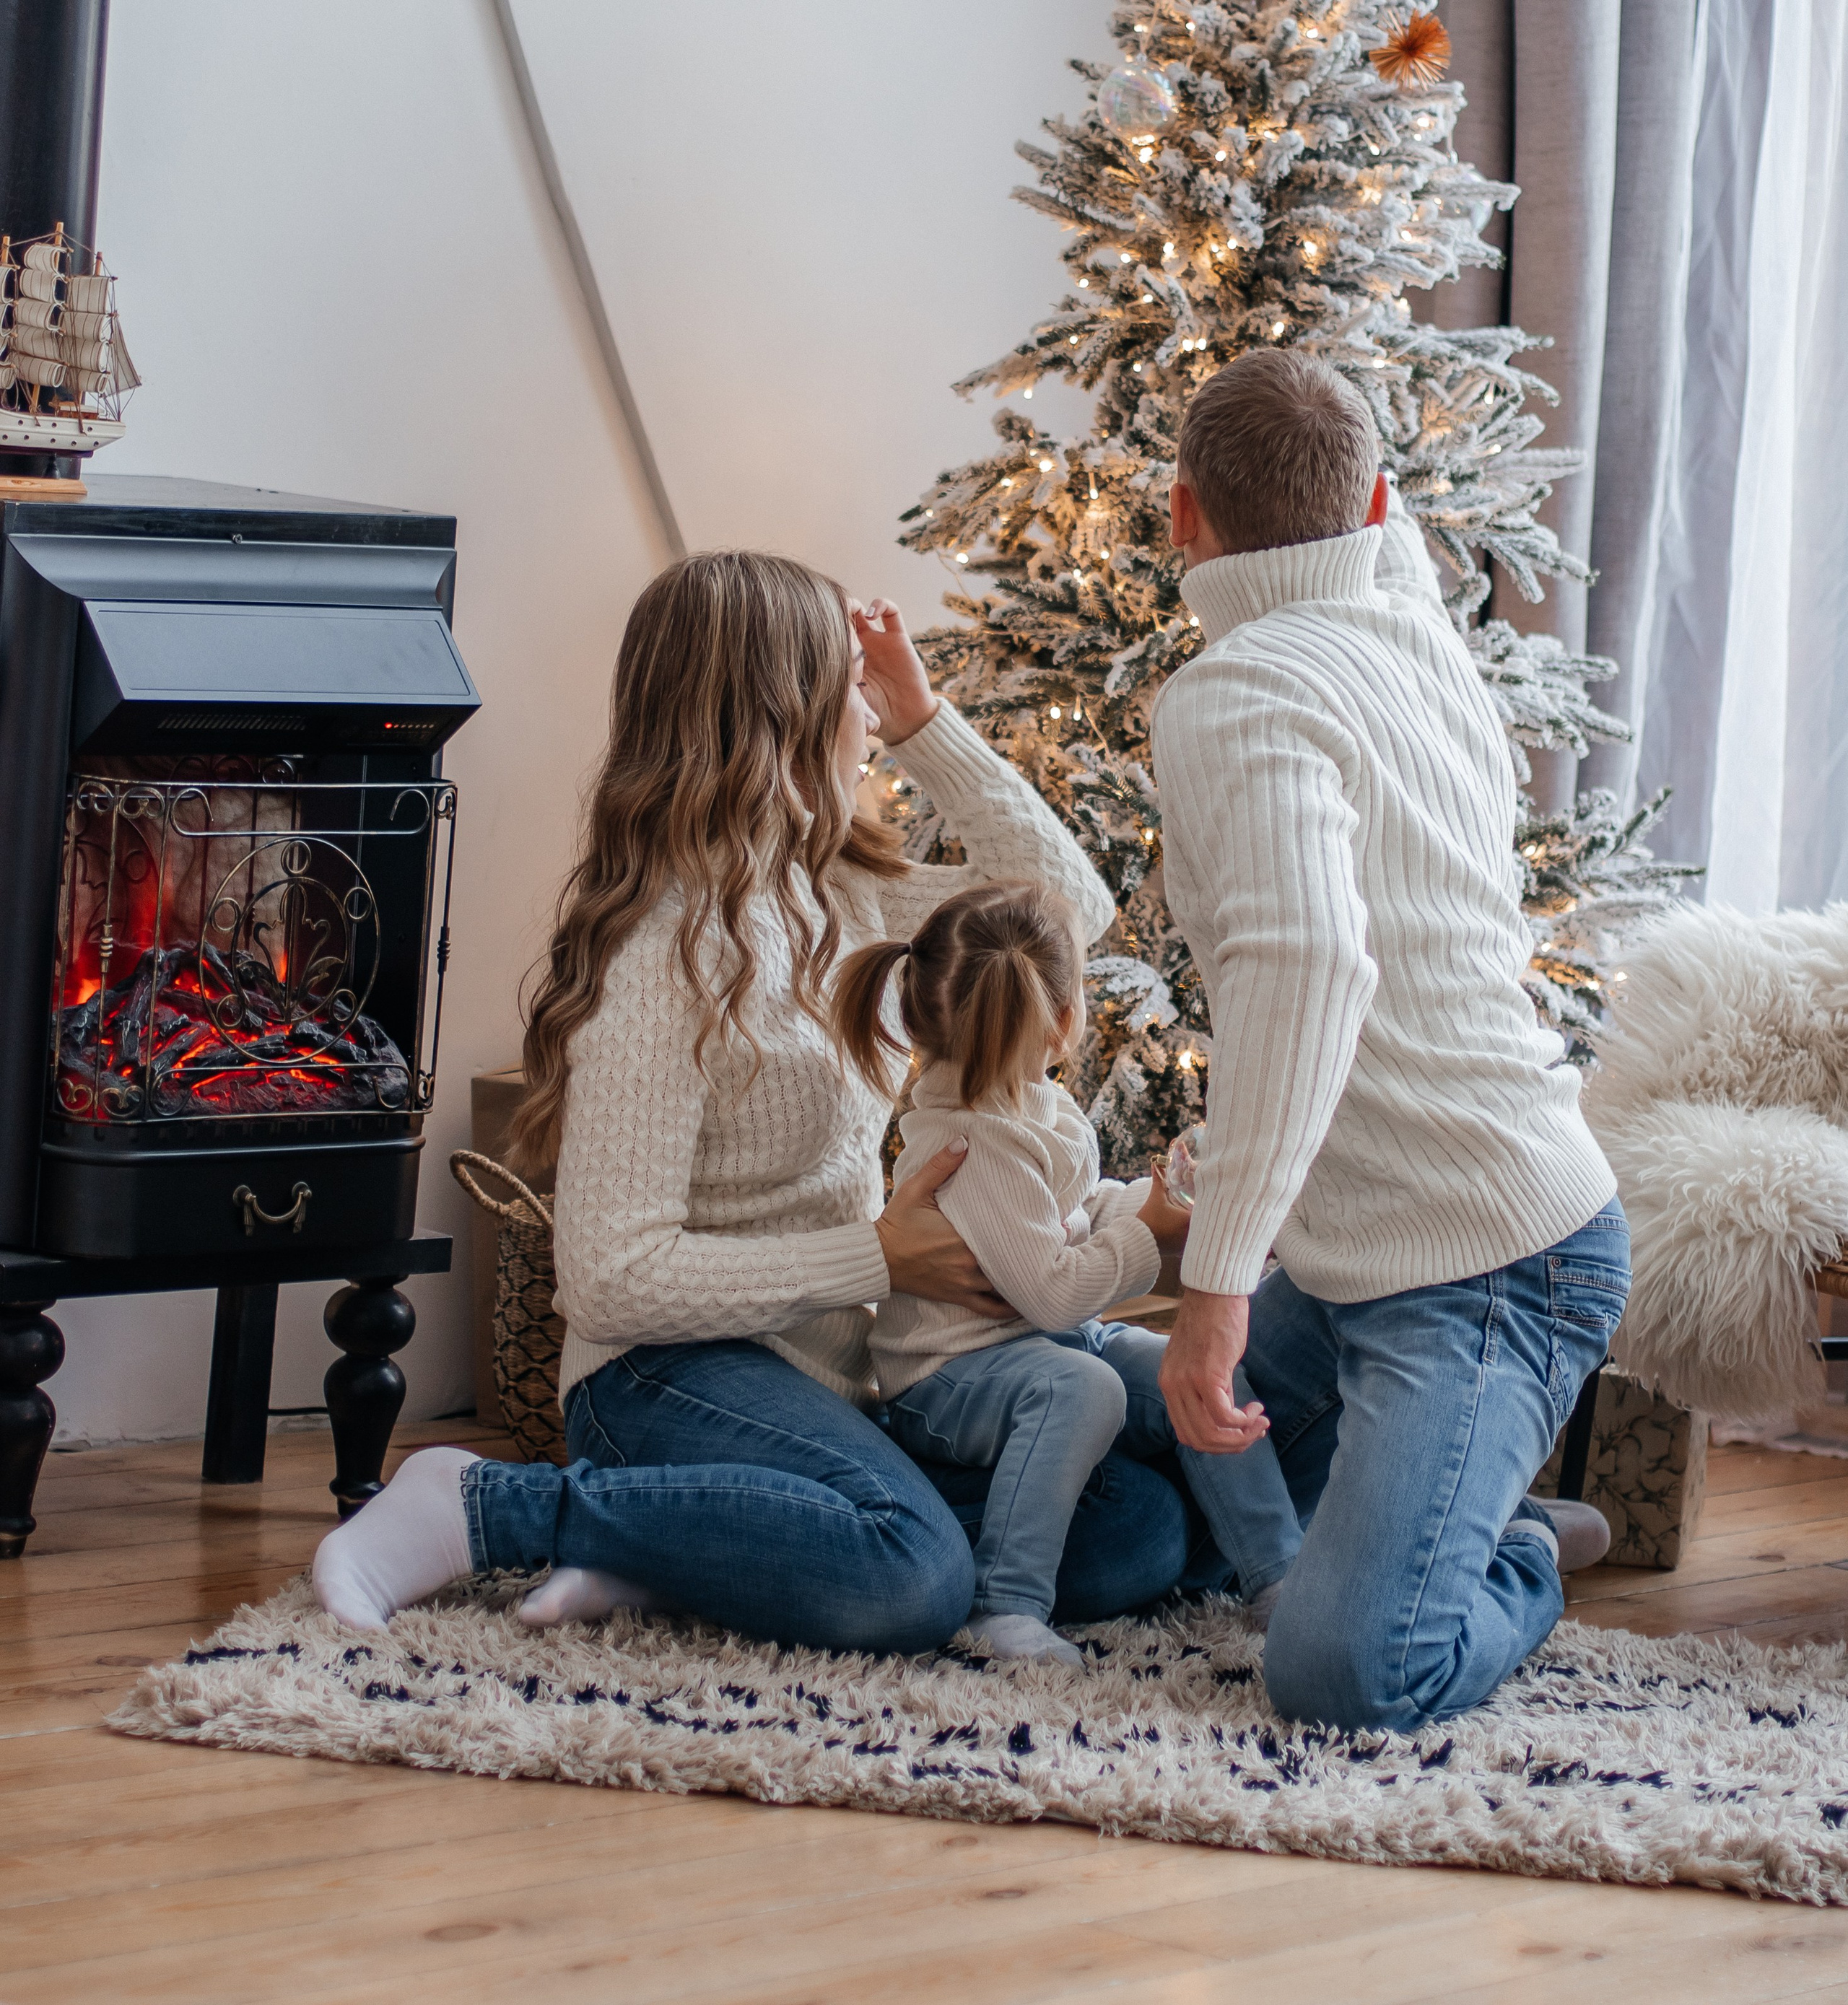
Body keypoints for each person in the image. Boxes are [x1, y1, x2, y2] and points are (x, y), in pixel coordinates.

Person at [313, 554, 1213, 1647]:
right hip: (663, 1374)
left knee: (1138, 1527)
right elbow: (610, 1277)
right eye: (849, 686)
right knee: (913, 1575)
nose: (866, 715)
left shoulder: (845, 891)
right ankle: (485, 1506)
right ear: (781, 714)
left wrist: (929, 721)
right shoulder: (662, 957)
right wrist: (879, 1258)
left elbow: (1066, 916)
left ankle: (681, 1550)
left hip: (844, 1365)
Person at [1151, 347, 1631, 1733]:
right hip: (1365, 1256)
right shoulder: (1406, 612)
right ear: (1377, 509)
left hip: (1494, 1262)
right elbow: (1369, 521)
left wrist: (1217, 1281)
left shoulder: (1238, 693)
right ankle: (1431, 1508)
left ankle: (1520, 1554)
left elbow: (1304, 965)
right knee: (1154, 1472)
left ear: (1184, 519)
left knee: (1348, 1675)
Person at [839, 878, 1301, 1668]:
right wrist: (1146, 1234)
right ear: (1060, 1019)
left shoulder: (1032, 1102)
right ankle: (1004, 1602)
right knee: (1082, 1386)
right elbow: (1052, 1293)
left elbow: (1075, 1207)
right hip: (951, 1375)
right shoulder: (973, 1143)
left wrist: (1146, 1205)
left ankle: (1281, 1575)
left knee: (1192, 1370)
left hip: (1043, 1342)